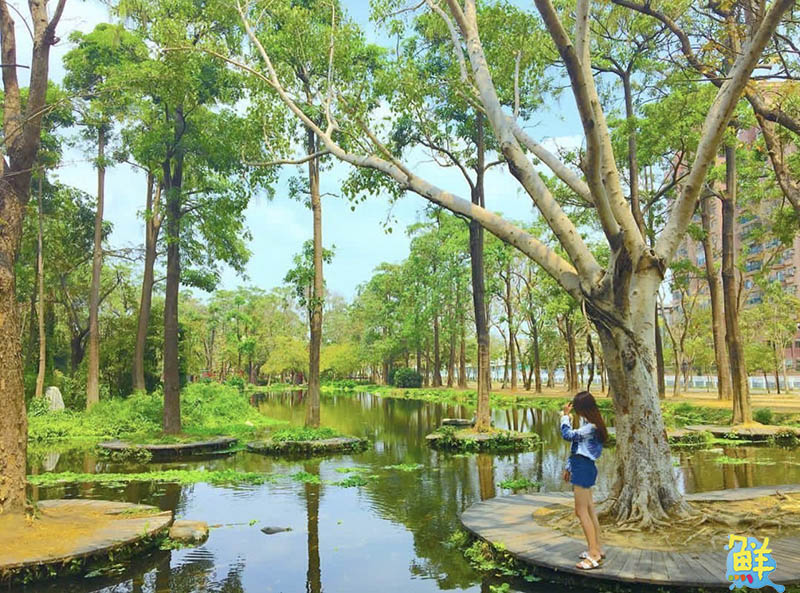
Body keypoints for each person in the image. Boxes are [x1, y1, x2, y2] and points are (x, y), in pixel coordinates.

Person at [560, 390, 608, 570]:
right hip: (583, 466)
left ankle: (593, 555)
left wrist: (565, 417)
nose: (576, 412)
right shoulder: (593, 423)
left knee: (581, 512)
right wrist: (568, 466)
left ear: (584, 409)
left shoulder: (591, 427)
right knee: (589, 510)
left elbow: (568, 436)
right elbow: (577, 447)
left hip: (583, 468)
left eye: (578, 409)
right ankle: (597, 548)